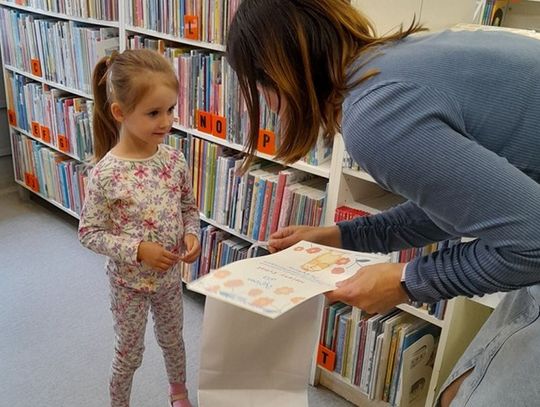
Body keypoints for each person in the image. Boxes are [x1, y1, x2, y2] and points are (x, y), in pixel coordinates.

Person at [226, 1, 540, 406]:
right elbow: (462, 201)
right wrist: (342, 235)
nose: (267, 106)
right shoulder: (394, 59)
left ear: (277, 76)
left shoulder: (373, 116)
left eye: (258, 88)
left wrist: (406, 282)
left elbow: (531, 243)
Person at [78, 49, 201, 407]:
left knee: (173, 339)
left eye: (170, 110)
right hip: (128, 284)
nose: (166, 121)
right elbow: (89, 232)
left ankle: (178, 394)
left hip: (167, 280)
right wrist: (137, 250)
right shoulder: (105, 174)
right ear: (120, 113)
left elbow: (188, 208)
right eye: (153, 113)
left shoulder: (174, 160)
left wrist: (192, 234)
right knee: (129, 352)